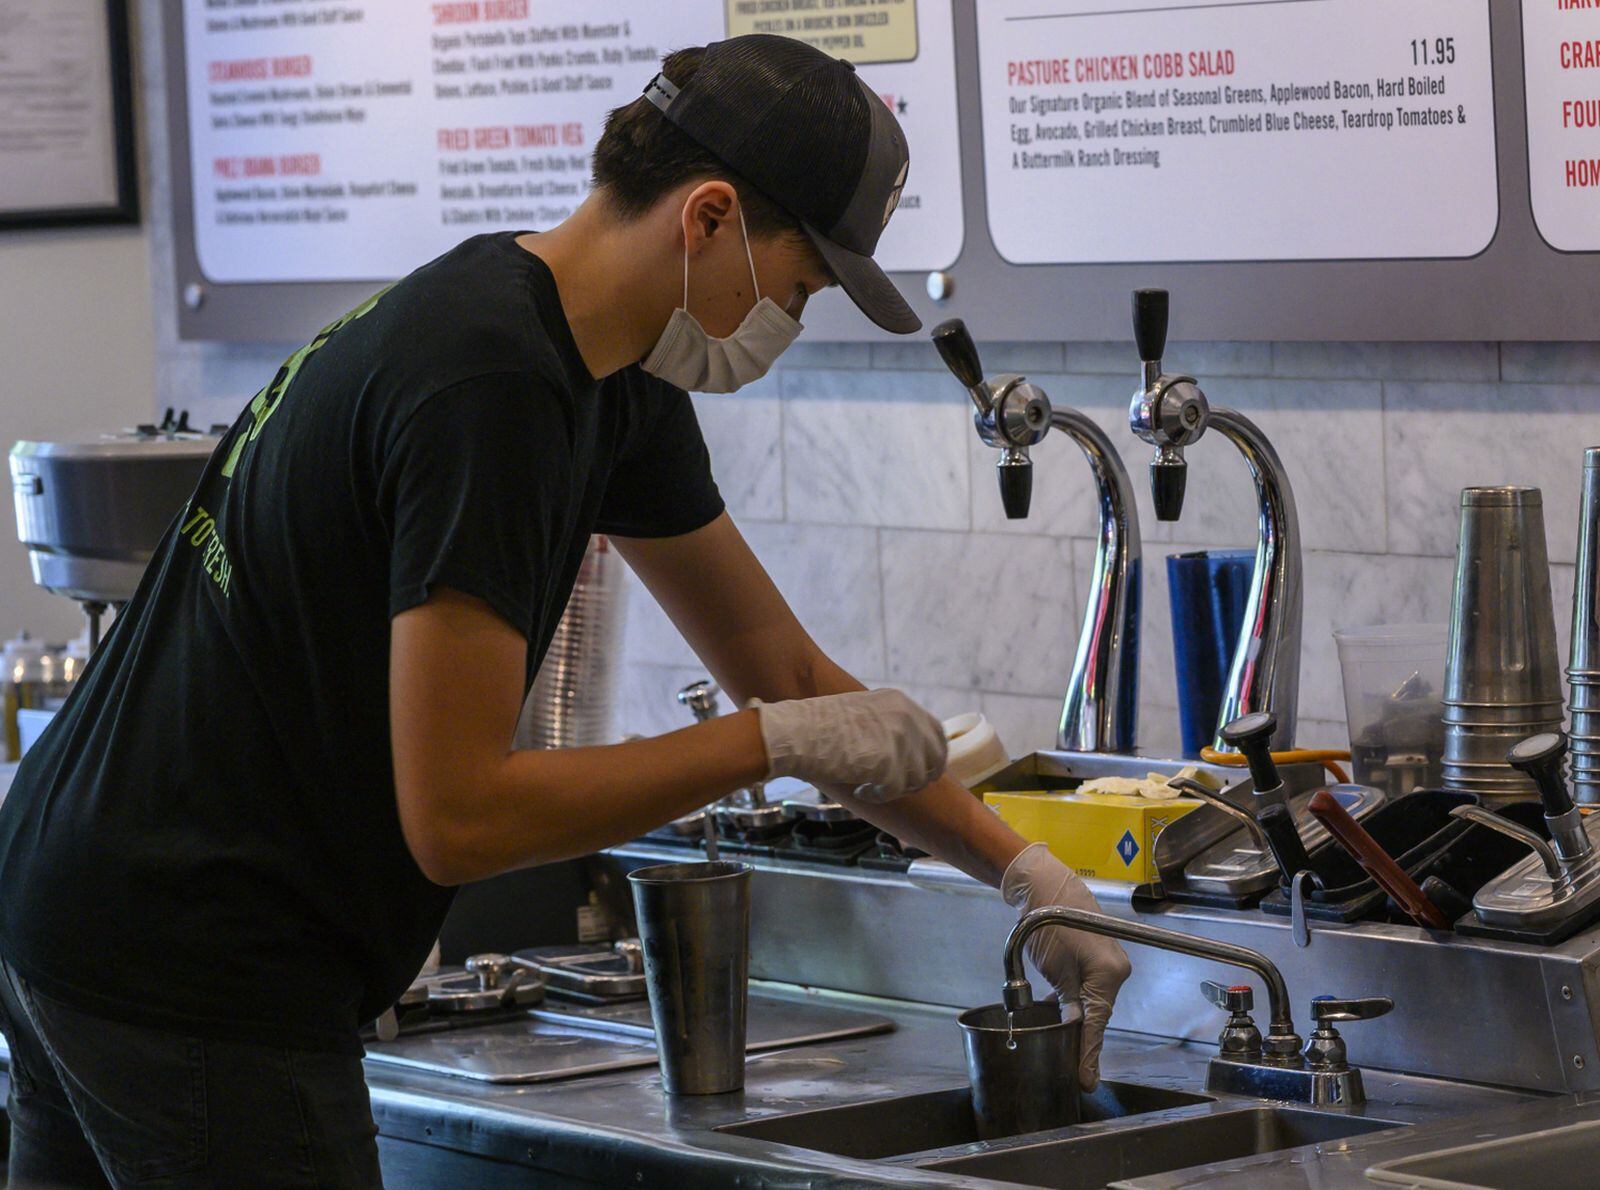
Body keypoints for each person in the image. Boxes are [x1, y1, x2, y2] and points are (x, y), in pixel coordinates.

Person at [0, 35, 1130, 1187]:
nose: (791, 320)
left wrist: (1024, 874)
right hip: (194, 959)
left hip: (72, 903)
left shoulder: (597, 365)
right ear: (708, 216)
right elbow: (462, 817)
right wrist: (760, 747)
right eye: (800, 285)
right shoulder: (489, 386)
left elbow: (783, 672)